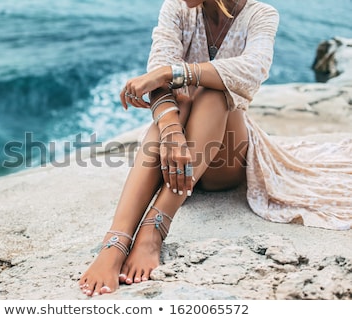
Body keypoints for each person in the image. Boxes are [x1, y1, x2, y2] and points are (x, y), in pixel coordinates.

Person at [78, 0, 352, 297]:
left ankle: (153, 231)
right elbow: (158, 73)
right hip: (178, 149)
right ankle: (116, 241)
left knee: (214, 92)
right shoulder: (177, 8)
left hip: (226, 158)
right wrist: (171, 130)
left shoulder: (261, 14)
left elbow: (252, 70)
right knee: (176, 105)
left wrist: (174, 73)